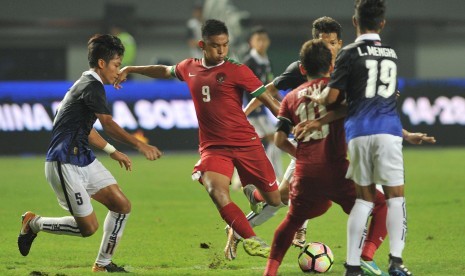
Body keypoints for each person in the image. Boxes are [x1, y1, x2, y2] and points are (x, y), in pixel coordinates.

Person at [114, 19, 283, 259]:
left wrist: (289, 121)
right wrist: (131, 69)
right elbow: (164, 70)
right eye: (216, 46)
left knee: (274, 200)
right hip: (213, 147)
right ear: (202, 45)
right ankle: (251, 239)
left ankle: (253, 195)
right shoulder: (189, 67)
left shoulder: (238, 70)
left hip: (246, 143)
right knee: (217, 191)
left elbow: (269, 101)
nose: (222, 50)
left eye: (225, 45)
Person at [17, 34, 162, 272]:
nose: (118, 71)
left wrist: (112, 151)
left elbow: (87, 129)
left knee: (121, 205)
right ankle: (33, 223)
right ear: (102, 64)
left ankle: (103, 264)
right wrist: (139, 144)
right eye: (116, 65)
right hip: (64, 162)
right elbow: (107, 124)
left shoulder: (87, 85)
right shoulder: (92, 86)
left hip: (83, 157)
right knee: (88, 228)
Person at [309, 1, 416, 275]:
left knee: (364, 200)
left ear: (355, 22)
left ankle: (353, 267)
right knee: (395, 199)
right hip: (388, 131)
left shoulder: (348, 53)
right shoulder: (391, 54)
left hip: (358, 132)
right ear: (382, 23)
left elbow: (332, 99)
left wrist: (318, 96)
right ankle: (396, 262)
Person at [242, 26, 282, 181]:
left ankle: (241, 179)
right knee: (274, 139)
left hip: (262, 109)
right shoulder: (249, 62)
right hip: (253, 110)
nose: (261, 43)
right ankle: (276, 176)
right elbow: (250, 89)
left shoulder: (266, 61)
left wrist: (282, 99)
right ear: (251, 42)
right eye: (258, 40)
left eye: (264, 39)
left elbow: (270, 85)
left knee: (254, 145)